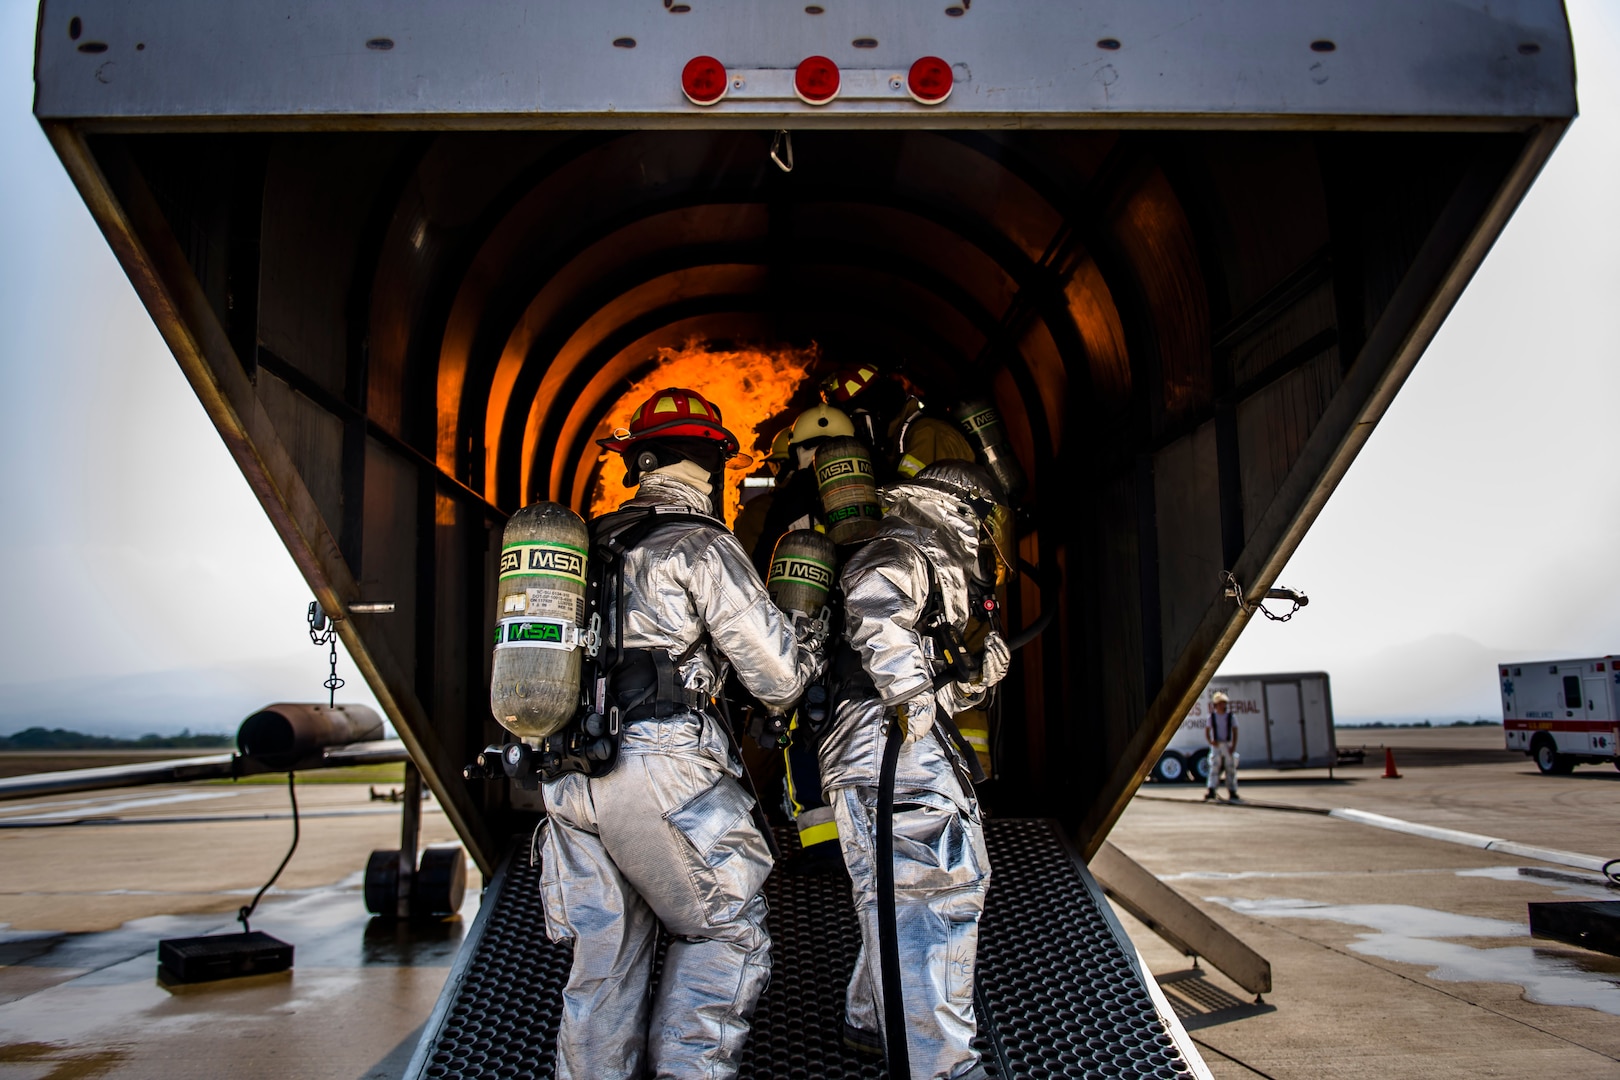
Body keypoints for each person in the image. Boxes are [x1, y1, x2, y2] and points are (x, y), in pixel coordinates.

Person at [536, 387, 825, 1080]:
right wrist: (810, 634)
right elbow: (779, 676)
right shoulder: (702, 545)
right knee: (730, 933)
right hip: (660, 769)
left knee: (604, 963)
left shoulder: (589, 541)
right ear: (714, 465)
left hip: (569, 774)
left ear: (641, 463)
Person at [820, 459, 1014, 1080]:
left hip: (892, 744)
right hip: (890, 751)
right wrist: (911, 692)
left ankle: (869, 1021)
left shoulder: (927, 569)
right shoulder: (903, 551)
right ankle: (942, 1069)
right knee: (936, 900)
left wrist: (967, 681)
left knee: (902, 898)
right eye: (983, 526)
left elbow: (918, 682)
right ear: (959, 513)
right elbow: (873, 608)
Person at [822, 364, 975, 482]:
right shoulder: (898, 440)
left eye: (859, 422)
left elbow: (914, 504)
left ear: (877, 409)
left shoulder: (927, 433)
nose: (859, 431)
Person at [1204, 690, 1241, 802]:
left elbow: (1235, 731)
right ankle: (1212, 789)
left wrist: (1233, 745)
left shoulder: (1231, 717)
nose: (1222, 705)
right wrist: (1211, 741)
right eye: (1220, 703)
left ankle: (1232, 790)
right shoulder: (1212, 717)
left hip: (1227, 743)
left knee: (1230, 767)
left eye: (1224, 703)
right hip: (1217, 744)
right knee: (1214, 767)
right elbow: (1207, 730)